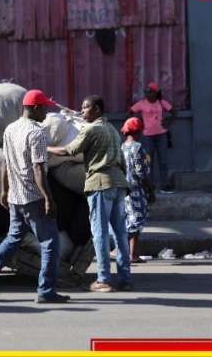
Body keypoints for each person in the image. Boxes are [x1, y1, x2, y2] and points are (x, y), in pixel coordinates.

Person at [0, 89, 69, 304]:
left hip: (16, 196)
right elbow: (38, 170)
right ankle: (46, 290)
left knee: (13, 238)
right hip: (33, 196)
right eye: (44, 108)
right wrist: (48, 199)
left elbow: (5, 163)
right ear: (35, 108)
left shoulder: (10, 129)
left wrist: (5, 191)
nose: (46, 113)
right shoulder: (38, 133)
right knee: (50, 243)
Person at [49, 95, 131, 292]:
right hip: (118, 183)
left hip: (100, 183)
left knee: (99, 233)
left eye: (86, 108)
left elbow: (69, 150)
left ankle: (103, 279)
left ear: (97, 110)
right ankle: (125, 278)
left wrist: (45, 148)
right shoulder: (112, 130)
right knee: (120, 233)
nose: (82, 111)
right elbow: (122, 159)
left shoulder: (91, 129)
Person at [129, 82, 177, 193]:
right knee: (148, 161)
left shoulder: (161, 102)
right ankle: (149, 186)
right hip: (147, 136)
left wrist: (169, 121)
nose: (147, 93)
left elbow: (174, 112)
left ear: (155, 93)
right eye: (146, 91)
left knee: (163, 161)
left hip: (161, 135)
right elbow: (130, 112)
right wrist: (138, 124)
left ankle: (164, 186)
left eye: (149, 91)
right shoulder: (141, 104)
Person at [120, 117, 155, 264]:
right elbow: (141, 172)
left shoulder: (122, 147)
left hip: (124, 189)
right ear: (138, 131)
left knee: (130, 221)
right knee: (136, 222)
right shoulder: (137, 147)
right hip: (136, 190)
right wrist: (150, 190)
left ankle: (132, 254)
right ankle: (125, 252)